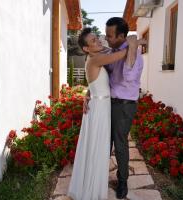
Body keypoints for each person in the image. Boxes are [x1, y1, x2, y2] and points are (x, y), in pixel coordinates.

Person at [67, 27, 139, 200]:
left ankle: (96, 183)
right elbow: (119, 54)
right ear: (86, 48)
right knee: (97, 148)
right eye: (93, 41)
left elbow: (96, 81)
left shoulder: (95, 56)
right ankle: (92, 188)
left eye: (97, 38)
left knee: (99, 148)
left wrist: (88, 93)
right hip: (99, 110)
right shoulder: (95, 60)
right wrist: (133, 42)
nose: (98, 41)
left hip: (102, 105)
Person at [83, 17, 145, 199]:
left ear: (121, 36)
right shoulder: (112, 52)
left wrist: (132, 48)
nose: (106, 38)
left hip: (124, 106)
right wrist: (89, 93)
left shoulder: (135, 54)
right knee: (104, 142)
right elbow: (101, 76)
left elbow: (128, 76)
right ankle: (99, 178)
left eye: (109, 35)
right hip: (107, 103)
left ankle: (123, 182)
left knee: (120, 145)